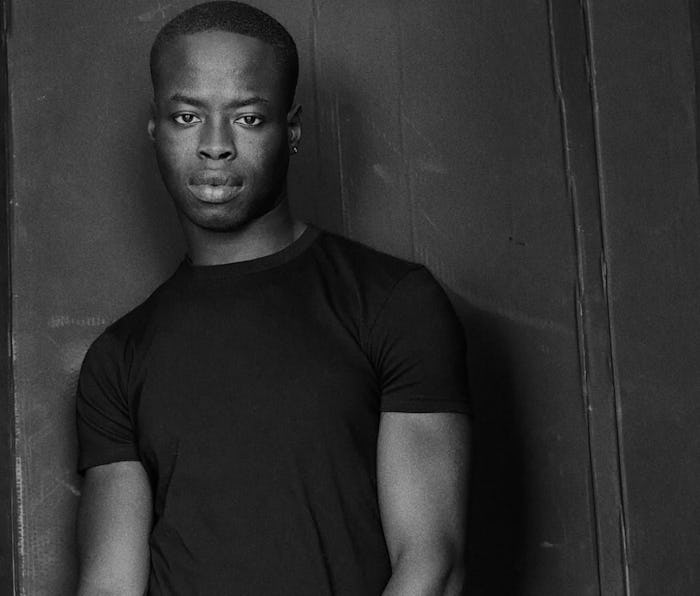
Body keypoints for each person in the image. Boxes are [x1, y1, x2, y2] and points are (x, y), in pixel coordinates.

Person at [75, 2, 471, 594]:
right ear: (156, 130)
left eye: (248, 118)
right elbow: (110, 586)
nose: (215, 146)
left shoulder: (392, 302)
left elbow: (432, 564)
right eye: (187, 117)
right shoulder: (117, 357)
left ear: (292, 130)